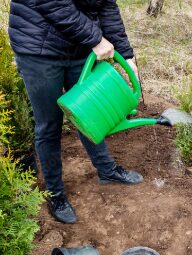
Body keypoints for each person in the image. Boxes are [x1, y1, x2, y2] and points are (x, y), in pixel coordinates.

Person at [8, 0, 143, 224]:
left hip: (79, 45)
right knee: (50, 125)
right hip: (39, 49)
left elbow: (107, 6)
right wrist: (97, 39)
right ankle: (55, 195)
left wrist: (127, 56)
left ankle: (106, 170)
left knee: (90, 112)